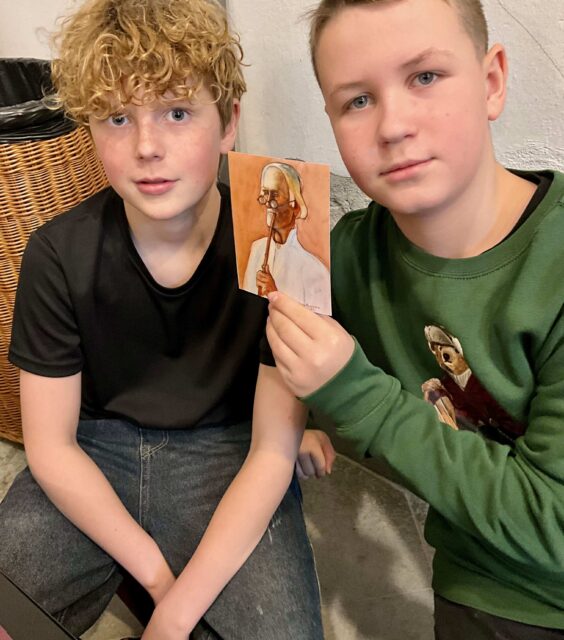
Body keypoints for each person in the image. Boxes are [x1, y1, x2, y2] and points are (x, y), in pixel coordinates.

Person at [0, 1, 328, 638]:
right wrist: (157, 580)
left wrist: (176, 616)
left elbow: (270, 450)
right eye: (117, 118)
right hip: (94, 448)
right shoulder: (57, 252)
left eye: (177, 112)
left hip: (231, 448)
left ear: (229, 122)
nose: (147, 147)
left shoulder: (282, 245)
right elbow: (51, 447)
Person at [266, 0, 564, 638]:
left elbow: (555, 527)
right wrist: (300, 416)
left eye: (425, 77)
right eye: (357, 100)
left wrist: (355, 395)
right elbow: (264, 346)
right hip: (487, 585)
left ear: (491, 82)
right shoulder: (343, 255)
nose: (394, 126)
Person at [243, 162, 331, 315]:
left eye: (275, 195)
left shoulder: (315, 271)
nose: (268, 203)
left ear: (295, 206)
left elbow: (314, 322)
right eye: (265, 193)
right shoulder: (257, 250)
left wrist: (274, 293)